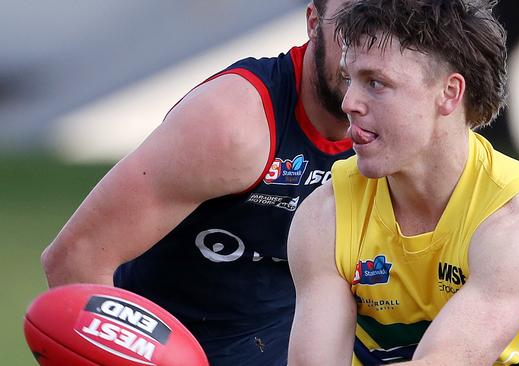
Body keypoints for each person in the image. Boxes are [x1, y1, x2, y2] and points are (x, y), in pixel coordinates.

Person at [40, 1, 354, 364]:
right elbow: (75, 258)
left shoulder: (407, 135)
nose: (363, 52)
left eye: (385, 29)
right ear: (314, 22)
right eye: (352, 26)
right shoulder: (234, 124)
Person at [287, 1, 519, 365]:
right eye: (350, 79)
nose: (349, 102)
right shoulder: (325, 216)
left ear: (449, 93)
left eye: (375, 83)